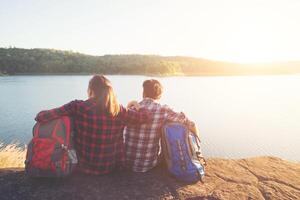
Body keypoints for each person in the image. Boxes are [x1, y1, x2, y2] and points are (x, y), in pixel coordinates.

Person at [35, 75, 149, 175]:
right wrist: (136, 105)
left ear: (90, 89)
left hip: (82, 166)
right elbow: (145, 117)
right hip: (111, 166)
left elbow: (41, 117)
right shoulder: (119, 110)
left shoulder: (78, 106)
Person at [124, 79, 199, 172]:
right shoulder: (163, 109)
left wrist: (132, 102)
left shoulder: (133, 108)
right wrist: (197, 141)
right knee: (168, 125)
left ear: (143, 93)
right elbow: (190, 123)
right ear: (160, 95)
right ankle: (197, 153)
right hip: (147, 164)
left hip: (127, 163)